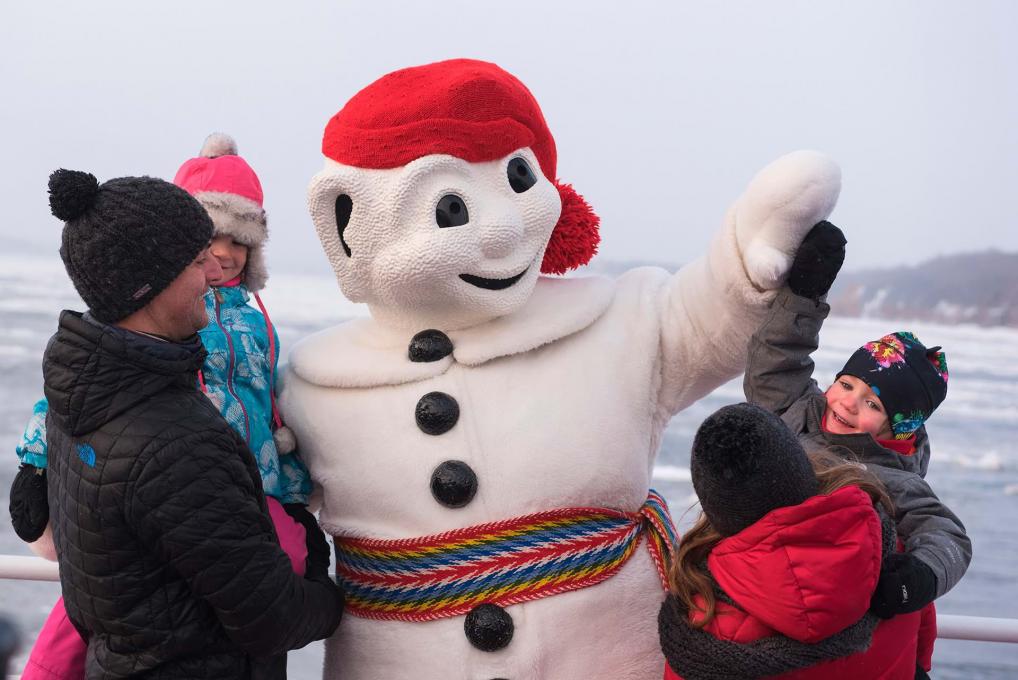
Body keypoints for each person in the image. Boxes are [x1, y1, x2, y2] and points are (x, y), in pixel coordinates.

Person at [9, 135, 325, 680]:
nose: (223, 256)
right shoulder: (138, 331)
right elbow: (73, 398)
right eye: (211, 241)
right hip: (185, 486)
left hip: (244, 487)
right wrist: (36, 465)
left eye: (240, 241)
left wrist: (292, 490)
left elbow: (268, 407)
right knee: (85, 610)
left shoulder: (256, 320)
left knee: (278, 570)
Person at [743, 221, 971, 623]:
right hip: (749, 574)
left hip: (811, 606)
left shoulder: (895, 480)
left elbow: (948, 537)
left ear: (897, 429)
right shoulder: (799, 409)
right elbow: (777, 358)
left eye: (872, 404)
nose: (847, 403)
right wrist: (804, 294)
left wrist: (918, 578)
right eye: (846, 384)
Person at [659, 402, 935, 679]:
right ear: (802, 465)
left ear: (716, 507)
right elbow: (920, 653)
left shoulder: (702, 635)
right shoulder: (892, 558)